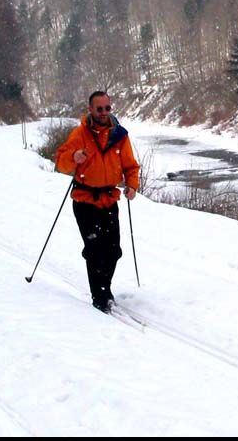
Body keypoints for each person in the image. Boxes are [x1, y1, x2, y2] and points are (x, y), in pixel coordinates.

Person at [55, 91, 139, 313]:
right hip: (84, 201)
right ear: (90, 109)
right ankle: (99, 296)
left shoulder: (119, 135)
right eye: (99, 109)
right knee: (94, 249)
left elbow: (131, 166)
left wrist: (132, 186)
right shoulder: (80, 134)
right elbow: (61, 163)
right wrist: (73, 158)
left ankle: (105, 288)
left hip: (109, 200)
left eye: (107, 108)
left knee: (113, 251)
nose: (104, 113)